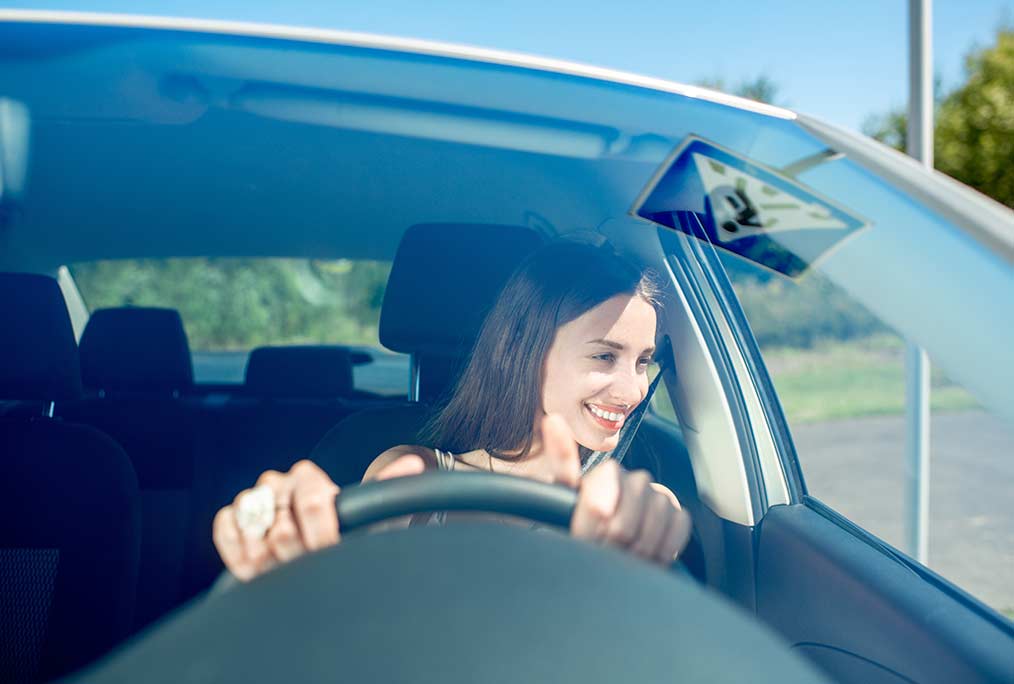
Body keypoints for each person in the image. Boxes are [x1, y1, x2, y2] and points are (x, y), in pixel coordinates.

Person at [213, 241, 693, 582]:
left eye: (643, 362)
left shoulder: (628, 504)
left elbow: (657, 522)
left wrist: (642, 533)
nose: (633, 390)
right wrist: (281, 535)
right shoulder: (415, 475)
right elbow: (341, 584)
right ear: (527, 352)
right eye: (604, 357)